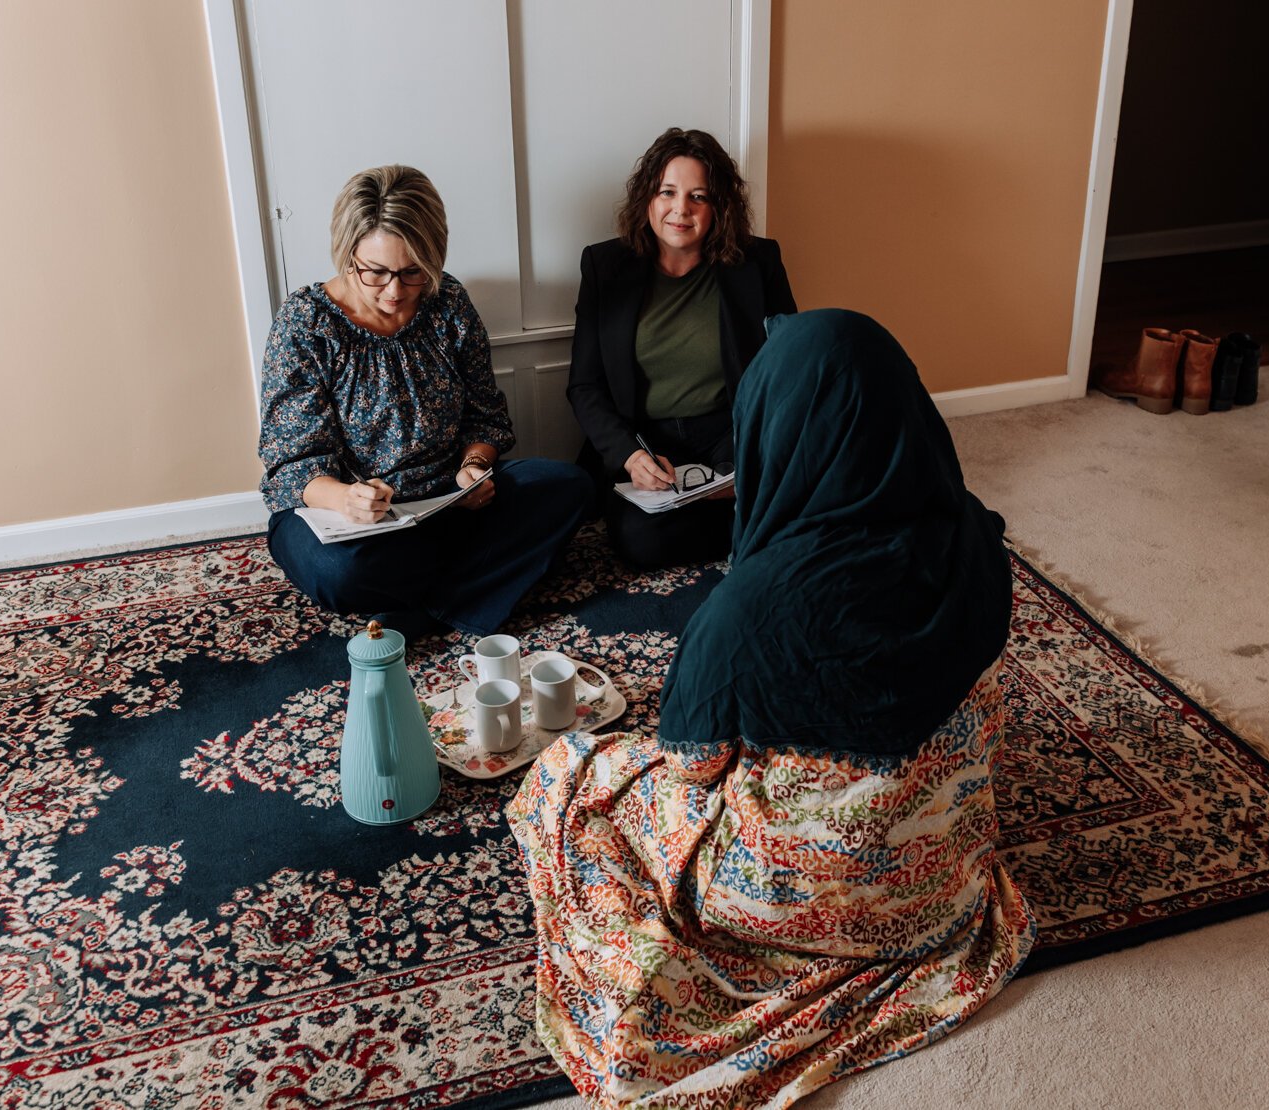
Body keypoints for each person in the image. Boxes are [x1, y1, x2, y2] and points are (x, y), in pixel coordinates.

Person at [508, 310, 1036, 1108]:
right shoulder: (976, 540)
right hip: (941, 896)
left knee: (574, 773)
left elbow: (691, 768)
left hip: (780, 902)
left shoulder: (748, 612)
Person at [259, 165, 592, 637]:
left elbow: (485, 416)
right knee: (337, 573)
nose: (395, 291)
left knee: (568, 486)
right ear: (346, 253)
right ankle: (477, 583)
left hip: (445, 503)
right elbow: (290, 463)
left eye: (412, 271)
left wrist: (473, 467)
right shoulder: (305, 323)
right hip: (348, 518)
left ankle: (428, 610)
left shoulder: (448, 301)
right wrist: (345, 499)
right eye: (375, 272)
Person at [567, 127, 797, 569]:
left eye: (699, 197)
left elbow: (788, 366)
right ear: (646, 199)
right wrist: (631, 457)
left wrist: (747, 458)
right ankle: (750, 521)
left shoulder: (758, 262)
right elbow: (585, 385)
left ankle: (747, 508)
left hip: (728, 429)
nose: (680, 210)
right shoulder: (604, 266)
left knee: (800, 485)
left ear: (719, 208)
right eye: (667, 192)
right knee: (642, 545)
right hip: (646, 437)